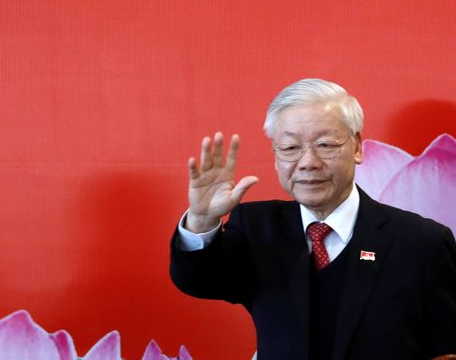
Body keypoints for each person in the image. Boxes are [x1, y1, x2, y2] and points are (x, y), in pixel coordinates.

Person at [170, 78, 456, 360]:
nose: (308, 162)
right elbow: (199, 281)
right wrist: (202, 219)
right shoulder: (258, 227)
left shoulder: (421, 242)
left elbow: (446, 347)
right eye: (291, 148)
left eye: (325, 145)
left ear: (356, 147)